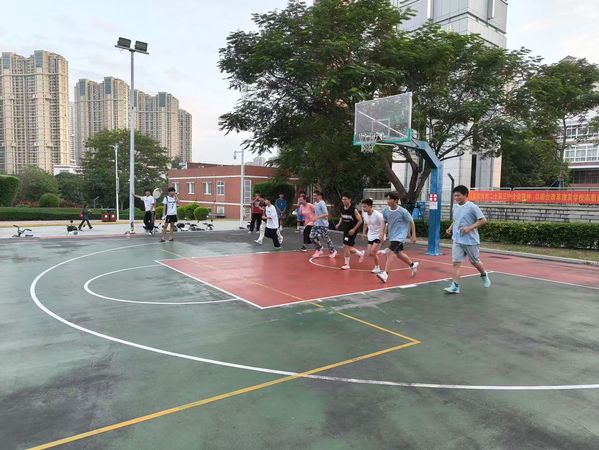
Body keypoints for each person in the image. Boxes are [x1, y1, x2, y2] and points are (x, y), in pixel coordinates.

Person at [444, 185, 491, 294]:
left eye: (458, 195)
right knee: (456, 262)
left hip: (470, 240)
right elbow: (456, 220)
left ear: (465, 195)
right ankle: (455, 286)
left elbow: (483, 220)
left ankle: (484, 274)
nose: (456, 198)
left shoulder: (472, 207)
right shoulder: (455, 207)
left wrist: (470, 228)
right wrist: (450, 228)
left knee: (474, 261)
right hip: (457, 239)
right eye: (454, 196)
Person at [376, 191, 419, 283]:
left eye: (389, 199)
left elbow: (411, 221)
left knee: (391, 252)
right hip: (392, 236)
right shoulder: (386, 211)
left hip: (400, 236)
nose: (387, 201)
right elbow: (384, 222)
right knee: (398, 254)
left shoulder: (403, 211)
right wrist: (382, 233)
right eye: (387, 199)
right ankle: (412, 265)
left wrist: (413, 235)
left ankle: (385, 274)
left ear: (395, 200)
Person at [336, 193, 365, 270]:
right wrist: (339, 224)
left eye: (345, 199)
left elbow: (360, 220)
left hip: (351, 231)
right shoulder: (342, 208)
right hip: (345, 230)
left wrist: (354, 229)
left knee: (346, 246)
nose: (343, 201)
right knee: (347, 247)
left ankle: (347, 264)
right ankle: (360, 253)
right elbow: (342, 217)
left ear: (349, 200)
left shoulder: (353, 210)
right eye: (343, 199)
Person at [309, 190, 337, 259]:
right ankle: (319, 249)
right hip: (316, 224)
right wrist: (313, 218)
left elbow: (326, 214)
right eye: (313, 196)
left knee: (325, 238)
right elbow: (316, 213)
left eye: (315, 196)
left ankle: (333, 251)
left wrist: (318, 217)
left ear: (319, 196)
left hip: (323, 225)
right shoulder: (315, 203)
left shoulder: (322, 203)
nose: (314, 197)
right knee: (312, 236)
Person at [361, 198, 385, 274]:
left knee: (373, 252)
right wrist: (363, 233)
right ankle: (383, 251)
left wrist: (383, 235)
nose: (363, 208)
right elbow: (365, 224)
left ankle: (377, 267)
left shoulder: (378, 215)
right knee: (369, 254)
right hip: (370, 235)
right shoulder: (365, 214)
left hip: (378, 235)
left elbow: (385, 224)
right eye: (363, 206)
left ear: (370, 206)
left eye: (365, 206)